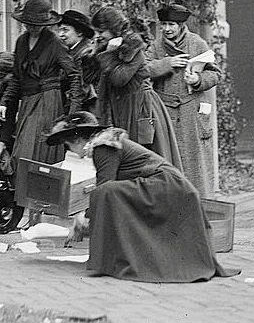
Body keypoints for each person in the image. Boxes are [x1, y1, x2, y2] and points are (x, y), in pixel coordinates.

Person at [48, 112, 238, 283]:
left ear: (79, 140)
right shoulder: (104, 145)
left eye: (69, 144)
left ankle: (111, 260)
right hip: (168, 185)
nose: (71, 150)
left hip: (166, 185)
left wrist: (83, 219)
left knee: (105, 193)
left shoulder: (103, 147)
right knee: (110, 193)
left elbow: (104, 187)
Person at [0, 0, 83, 168]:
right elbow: (17, 78)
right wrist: (4, 102)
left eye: (37, 25)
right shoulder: (21, 42)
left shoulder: (54, 43)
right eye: (29, 24)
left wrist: (73, 113)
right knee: (21, 153)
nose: (32, 28)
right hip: (27, 102)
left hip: (48, 101)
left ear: (45, 24)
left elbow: (74, 76)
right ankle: (25, 192)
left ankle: (36, 192)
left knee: (33, 154)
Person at [90, 6, 182, 169]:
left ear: (113, 28)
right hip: (120, 108)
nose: (98, 36)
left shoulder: (133, 48)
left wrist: (108, 55)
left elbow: (120, 79)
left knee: (142, 161)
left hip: (139, 108)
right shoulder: (108, 47)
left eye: (101, 31)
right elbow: (90, 76)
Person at [144, 3, 220, 196]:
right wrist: (166, 63)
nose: (167, 29)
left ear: (181, 25)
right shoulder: (156, 46)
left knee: (195, 164)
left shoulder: (197, 43)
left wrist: (197, 80)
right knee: (167, 161)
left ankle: (199, 204)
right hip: (165, 112)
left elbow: (216, 74)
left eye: (171, 24)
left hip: (191, 113)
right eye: (164, 25)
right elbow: (143, 70)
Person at [57, 9, 99, 112]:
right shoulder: (69, 52)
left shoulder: (86, 52)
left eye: (65, 30)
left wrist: (72, 114)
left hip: (86, 109)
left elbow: (80, 89)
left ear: (79, 32)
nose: (60, 35)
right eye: (59, 30)